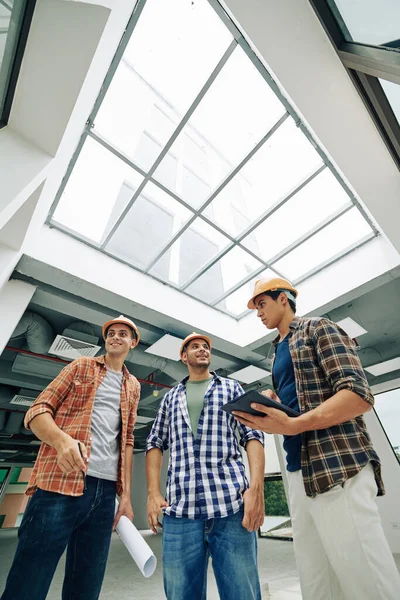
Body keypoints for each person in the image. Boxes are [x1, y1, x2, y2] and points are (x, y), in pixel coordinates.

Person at [232, 277, 400, 600]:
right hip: (298, 476)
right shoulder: (277, 352)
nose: (258, 314)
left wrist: (294, 424)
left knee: (368, 583)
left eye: (261, 305)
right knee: (317, 585)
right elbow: (297, 407)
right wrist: (275, 403)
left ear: (283, 299)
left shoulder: (317, 329)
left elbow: (358, 395)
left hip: (336, 469)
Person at [1, 315, 141, 600]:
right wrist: (61, 440)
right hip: (59, 487)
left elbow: (127, 441)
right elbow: (37, 410)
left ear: (133, 342)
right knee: (29, 580)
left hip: (105, 496)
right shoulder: (81, 366)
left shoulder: (134, 386)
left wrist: (125, 497)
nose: (115, 336)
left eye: (123, 333)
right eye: (111, 333)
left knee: (86, 585)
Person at [146, 332, 265, 600]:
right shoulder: (170, 398)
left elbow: (253, 435)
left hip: (231, 509)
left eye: (206, 347)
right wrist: (153, 494)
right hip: (181, 514)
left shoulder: (232, 389)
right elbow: (154, 442)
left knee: (242, 594)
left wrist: (256, 489)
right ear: (183, 356)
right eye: (195, 347)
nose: (202, 350)